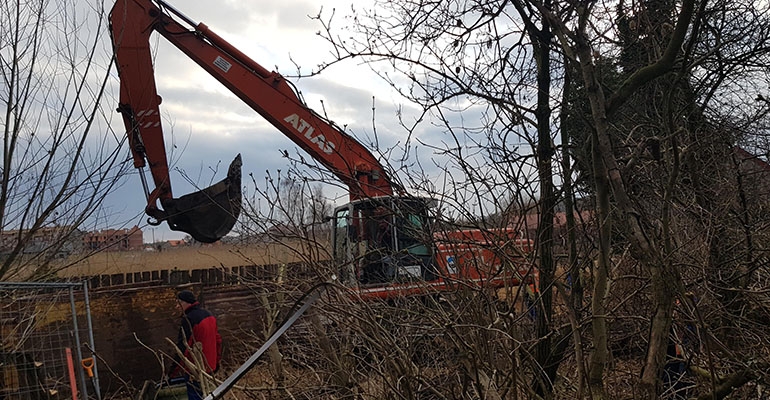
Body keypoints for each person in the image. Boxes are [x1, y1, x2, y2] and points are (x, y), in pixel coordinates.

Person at [170, 290, 222, 400]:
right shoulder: (208, 315)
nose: (177, 306)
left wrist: (171, 374)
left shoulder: (189, 319)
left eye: (179, 303)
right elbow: (218, 341)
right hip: (210, 367)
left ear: (187, 303)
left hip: (195, 370)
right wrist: (216, 362)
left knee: (196, 396)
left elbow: (183, 348)